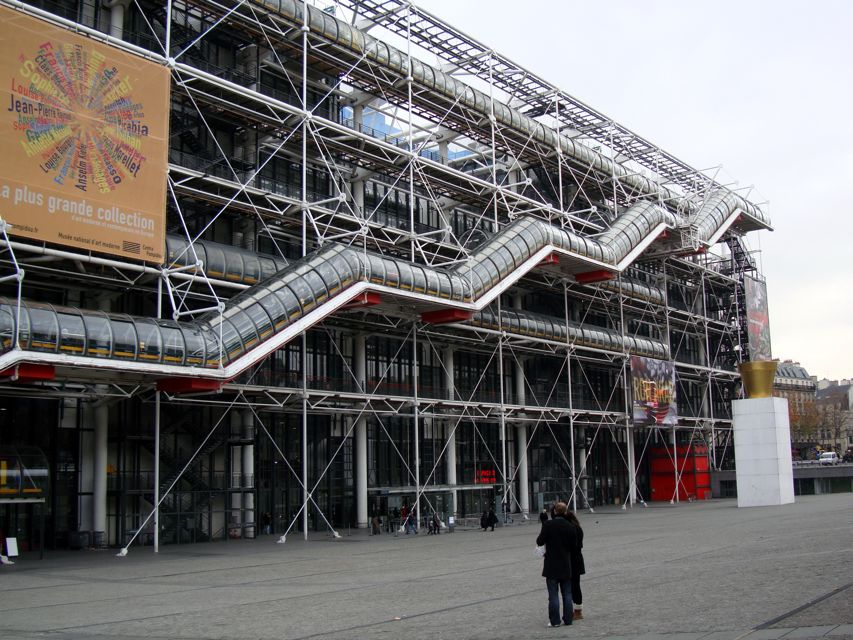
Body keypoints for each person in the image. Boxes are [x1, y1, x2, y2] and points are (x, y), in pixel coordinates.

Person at [535, 501, 576, 627]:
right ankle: (568, 620)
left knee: (553, 595)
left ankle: (555, 621)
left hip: (551, 565)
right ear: (565, 512)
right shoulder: (570, 526)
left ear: (554, 511)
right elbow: (574, 546)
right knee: (567, 594)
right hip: (565, 564)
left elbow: (540, 541)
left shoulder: (548, 525)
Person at [565, 510, 586, 620]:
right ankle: (577, 610)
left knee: (573, 586)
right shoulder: (578, 527)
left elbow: (575, 546)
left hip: (572, 560)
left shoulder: (572, 529)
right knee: (575, 585)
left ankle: (577, 611)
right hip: (577, 560)